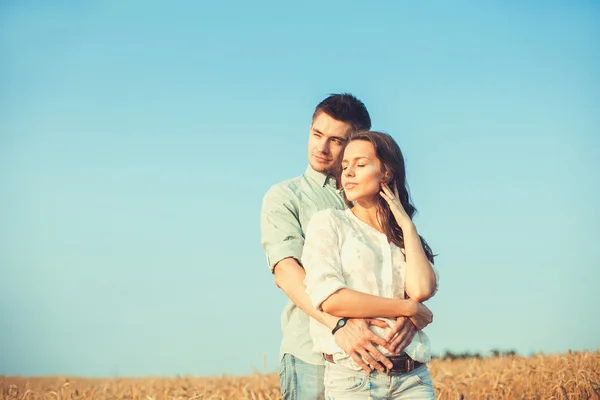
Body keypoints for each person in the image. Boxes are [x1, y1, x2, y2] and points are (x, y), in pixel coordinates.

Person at [260, 95, 419, 400]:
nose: (321, 147)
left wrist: (409, 313)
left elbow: (401, 265)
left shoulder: (378, 199)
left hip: (384, 359)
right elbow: (287, 273)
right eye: (317, 134)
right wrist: (339, 325)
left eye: (335, 140)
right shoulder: (285, 197)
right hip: (312, 355)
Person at [302, 131, 439, 399]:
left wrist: (407, 227)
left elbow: (421, 289)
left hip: (413, 379)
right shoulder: (329, 222)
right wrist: (406, 307)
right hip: (355, 379)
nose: (348, 172)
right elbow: (330, 298)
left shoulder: (405, 237)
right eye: (345, 166)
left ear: (386, 172)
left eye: (360, 164)